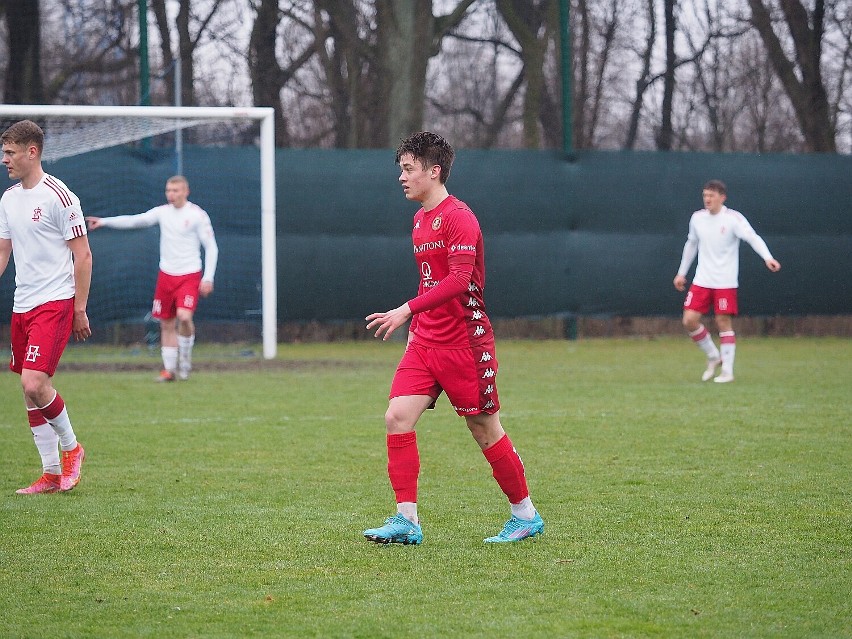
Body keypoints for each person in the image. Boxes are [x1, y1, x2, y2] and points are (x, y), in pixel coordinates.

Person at [363, 131, 544, 544]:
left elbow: (460, 280)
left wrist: (407, 309)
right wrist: (415, 329)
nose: (402, 178)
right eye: (401, 170)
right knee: (396, 417)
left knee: (484, 429)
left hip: (465, 342)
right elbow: (429, 280)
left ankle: (526, 514)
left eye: (409, 170)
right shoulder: (420, 218)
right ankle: (406, 520)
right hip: (425, 341)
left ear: (434, 171)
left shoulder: (460, 216)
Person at [0, 120, 90, 494]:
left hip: (55, 302)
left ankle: (72, 449)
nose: (5, 160)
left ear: (31, 151)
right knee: (29, 390)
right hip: (23, 304)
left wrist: (79, 308)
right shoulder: (7, 198)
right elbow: (3, 250)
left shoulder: (60, 196)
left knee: (33, 382)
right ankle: (51, 473)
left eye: (9, 153)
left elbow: (83, 255)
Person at [86, 176, 218, 381]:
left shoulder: (197, 215)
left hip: (190, 275)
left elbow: (211, 247)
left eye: (175, 190)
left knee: (184, 317)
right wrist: (104, 222)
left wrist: (208, 277)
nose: (171, 194)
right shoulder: (162, 213)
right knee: (166, 322)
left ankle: (185, 358)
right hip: (166, 275)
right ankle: (169, 370)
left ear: (186, 191)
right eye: (168, 190)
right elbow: (135, 220)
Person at [674, 179, 781, 383]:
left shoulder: (733, 219)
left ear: (722, 198)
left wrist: (767, 257)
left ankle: (727, 372)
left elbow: (752, 237)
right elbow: (691, 244)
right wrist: (681, 273)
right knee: (689, 320)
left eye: (711, 196)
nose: (707, 199)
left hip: (725, 281)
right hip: (702, 279)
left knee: (723, 322)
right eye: (705, 195)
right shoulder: (697, 218)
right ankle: (714, 356)